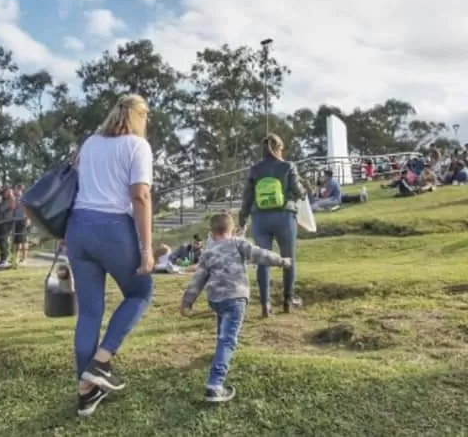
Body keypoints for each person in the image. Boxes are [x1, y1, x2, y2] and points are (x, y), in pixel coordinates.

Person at [66, 94, 155, 418]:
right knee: (141, 292)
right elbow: (140, 197)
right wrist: (146, 250)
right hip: (112, 228)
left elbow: (76, 175)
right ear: (139, 116)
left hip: (78, 228)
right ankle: (101, 362)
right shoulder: (137, 146)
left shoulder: (90, 143)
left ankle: (85, 392)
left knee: (89, 312)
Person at [180, 212, 291, 403]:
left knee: (222, 333)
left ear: (212, 233)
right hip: (235, 297)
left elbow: (198, 279)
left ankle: (217, 358)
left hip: (216, 299)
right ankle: (215, 385)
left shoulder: (208, 253)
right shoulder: (238, 243)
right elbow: (260, 254)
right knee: (228, 340)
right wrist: (283, 261)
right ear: (231, 230)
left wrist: (187, 302)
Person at [239, 133, 305, 318]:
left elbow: (247, 197)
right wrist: (304, 190)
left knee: (262, 260)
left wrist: (242, 220)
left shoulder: (255, 169)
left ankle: (265, 304)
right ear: (279, 148)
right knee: (288, 258)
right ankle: (288, 300)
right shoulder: (287, 166)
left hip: (260, 218)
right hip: (284, 217)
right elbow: (298, 191)